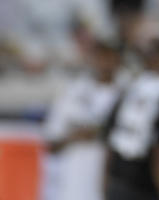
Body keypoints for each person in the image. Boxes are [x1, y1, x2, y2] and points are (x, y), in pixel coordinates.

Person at [105, 24, 159, 200]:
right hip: (149, 189)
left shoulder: (129, 90)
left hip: (119, 184)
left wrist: (106, 189)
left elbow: (110, 147)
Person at [44, 35, 124, 200]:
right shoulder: (72, 93)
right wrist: (75, 136)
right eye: (101, 56)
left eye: (110, 56)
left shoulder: (129, 94)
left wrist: (102, 133)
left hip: (114, 180)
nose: (105, 62)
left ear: (119, 60)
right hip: (74, 183)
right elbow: (50, 143)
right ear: (92, 58)